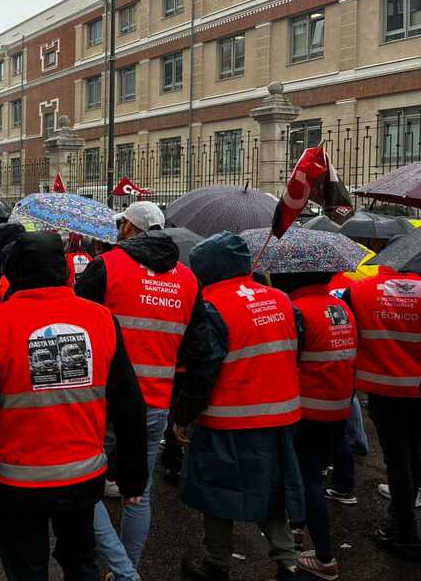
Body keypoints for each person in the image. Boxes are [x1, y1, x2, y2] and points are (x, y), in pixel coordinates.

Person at [0, 231, 148, 581]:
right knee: (82, 562)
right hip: (83, 477)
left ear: (13, 273)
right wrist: (133, 479)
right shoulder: (101, 319)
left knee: (26, 569)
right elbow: (130, 407)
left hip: (20, 482)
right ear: (65, 272)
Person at [75, 201, 204, 581]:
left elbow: (75, 324)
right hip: (155, 402)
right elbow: (195, 351)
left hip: (103, 400)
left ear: (130, 229)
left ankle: (121, 569)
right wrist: (184, 411)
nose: (118, 230)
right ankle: (126, 567)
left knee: (83, 486)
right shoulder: (188, 279)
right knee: (139, 492)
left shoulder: (108, 266)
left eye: (122, 224)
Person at [174, 232, 303, 581]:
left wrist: (183, 416)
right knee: (273, 490)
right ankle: (288, 562)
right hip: (282, 415)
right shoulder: (280, 298)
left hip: (229, 419)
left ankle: (216, 564)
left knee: (217, 493)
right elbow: (297, 346)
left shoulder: (211, 307)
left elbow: (203, 369)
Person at [267, 272, 357, 580]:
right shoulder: (341, 308)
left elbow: (286, 359)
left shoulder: (298, 310)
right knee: (312, 475)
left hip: (306, 409)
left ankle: (324, 557)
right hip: (338, 407)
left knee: (307, 480)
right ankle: (297, 528)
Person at [344, 265, 421, 560]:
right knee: (414, 451)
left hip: (383, 389)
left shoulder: (360, 291)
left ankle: (404, 531)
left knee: (397, 458)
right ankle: (404, 524)